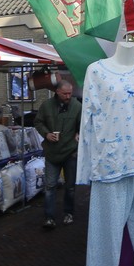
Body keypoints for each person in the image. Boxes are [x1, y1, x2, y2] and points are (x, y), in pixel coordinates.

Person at [32, 78, 81, 229]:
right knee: (50, 186)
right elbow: (38, 122)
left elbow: (83, 124)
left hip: (70, 152)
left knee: (70, 187)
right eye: (65, 94)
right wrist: (46, 134)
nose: (68, 96)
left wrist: (79, 132)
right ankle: (49, 217)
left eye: (70, 93)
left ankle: (69, 213)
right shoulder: (46, 106)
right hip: (52, 153)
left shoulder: (77, 106)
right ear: (57, 92)